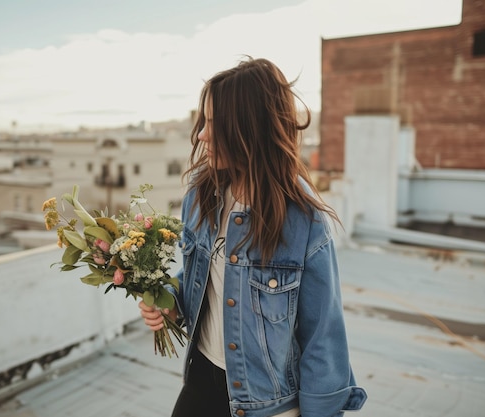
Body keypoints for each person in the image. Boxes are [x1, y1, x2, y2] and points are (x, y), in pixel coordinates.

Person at [138, 57, 367, 417]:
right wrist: (169, 300)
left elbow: (322, 337)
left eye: (214, 124)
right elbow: (203, 283)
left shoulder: (303, 221)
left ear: (248, 128)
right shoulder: (200, 198)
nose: (201, 135)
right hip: (200, 383)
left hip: (268, 405)